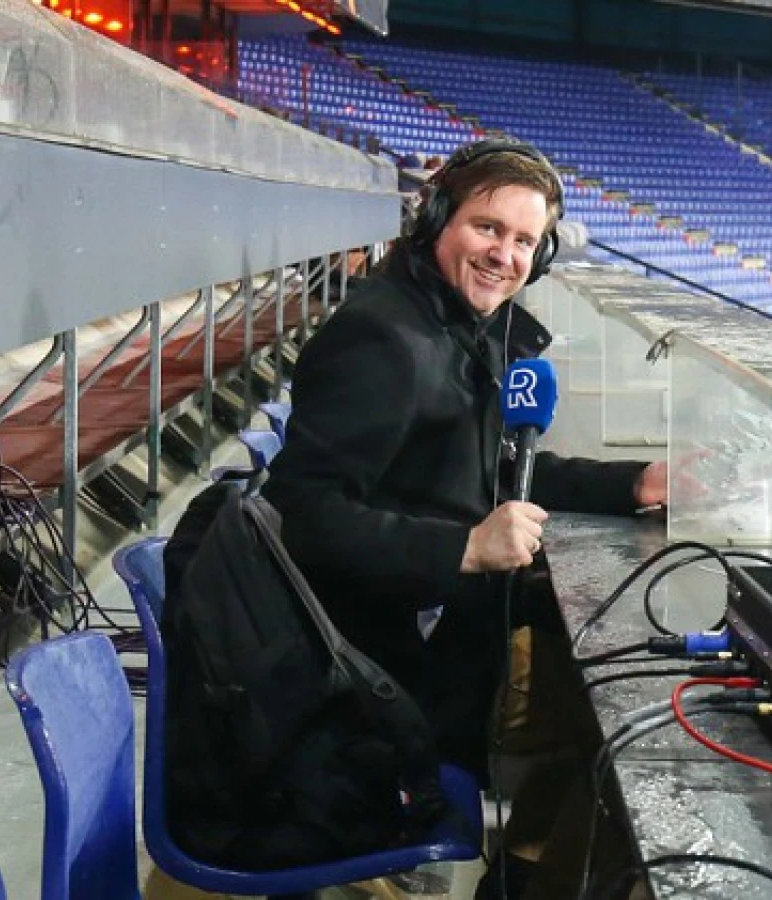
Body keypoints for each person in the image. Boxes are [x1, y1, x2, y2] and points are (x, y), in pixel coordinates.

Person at [262, 138, 666, 897]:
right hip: (373, 684)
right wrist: (466, 548)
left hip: (416, 644)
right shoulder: (384, 338)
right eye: (488, 228)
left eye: (523, 241)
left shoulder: (454, 328)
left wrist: (632, 483)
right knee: (592, 712)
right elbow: (302, 515)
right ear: (440, 218)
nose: (504, 255)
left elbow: (491, 473)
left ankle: (526, 868)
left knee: (580, 693)